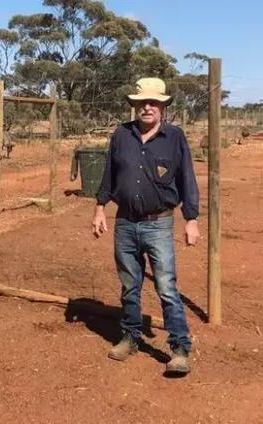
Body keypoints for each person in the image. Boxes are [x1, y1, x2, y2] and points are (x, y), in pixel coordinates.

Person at [92, 77, 200, 375]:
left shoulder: (174, 137)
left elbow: (187, 179)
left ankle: (179, 348)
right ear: (135, 106)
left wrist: (191, 219)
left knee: (166, 287)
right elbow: (108, 175)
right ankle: (131, 336)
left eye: (153, 102)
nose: (147, 107)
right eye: (142, 102)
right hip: (124, 222)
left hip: (159, 224)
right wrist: (100, 208)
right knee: (130, 286)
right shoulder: (121, 135)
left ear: (162, 107)